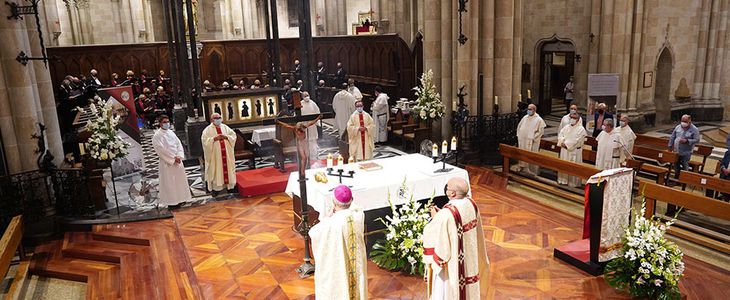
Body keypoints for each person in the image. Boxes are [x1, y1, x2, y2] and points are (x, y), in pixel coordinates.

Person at [423, 177, 489, 300]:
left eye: (447, 187)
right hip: (469, 259)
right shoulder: (471, 203)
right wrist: (440, 216)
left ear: (452, 193)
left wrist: (435, 218)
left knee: (448, 292)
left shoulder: (447, 214)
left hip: (453, 265)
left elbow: (438, 238)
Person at [309, 185, 367, 300]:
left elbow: (313, 233)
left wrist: (327, 217)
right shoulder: (358, 216)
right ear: (352, 201)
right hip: (355, 266)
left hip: (339, 266)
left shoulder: (330, 223)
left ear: (334, 204)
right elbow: (355, 208)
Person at [151, 115, 191, 207]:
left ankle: (181, 199)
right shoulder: (157, 136)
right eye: (164, 122)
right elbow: (160, 150)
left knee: (179, 181)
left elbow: (178, 144)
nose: (167, 124)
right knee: (170, 183)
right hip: (168, 163)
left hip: (178, 161)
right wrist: (173, 158)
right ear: (160, 123)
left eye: (168, 121)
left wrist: (179, 155)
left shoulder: (171, 132)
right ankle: (172, 202)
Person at [201, 113, 237, 194]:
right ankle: (217, 189)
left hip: (227, 154)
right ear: (211, 120)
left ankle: (230, 187)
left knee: (228, 168)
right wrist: (214, 139)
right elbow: (204, 141)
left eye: (219, 118)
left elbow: (233, 136)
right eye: (216, 118)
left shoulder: (225, 127)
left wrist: (226, 137)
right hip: (215, 156)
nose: (218, 119)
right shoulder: (207, 130)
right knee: (217, 169)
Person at [557, 113, 587, 187]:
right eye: (571, 118)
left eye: (574, 118)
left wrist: (567, 144)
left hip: (574, 151)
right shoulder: (567, 127)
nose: (572, 119)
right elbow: (561, 135)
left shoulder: (581, 129)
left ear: (578, 119)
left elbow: (576, 140)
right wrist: (562, 142)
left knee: (573, 167)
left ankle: (573, 183)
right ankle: (563, 180)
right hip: (564, 150)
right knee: (564, 165)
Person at [515, 104, 546, 175]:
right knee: (522, 154)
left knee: (531, 155)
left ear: (534, 110)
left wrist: (533, 137)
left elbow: (541, 131)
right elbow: (519, 126)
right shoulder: (525, 117)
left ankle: (532, 171)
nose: (528, 111)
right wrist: (519, 135)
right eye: (528, 109)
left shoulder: (539, 119)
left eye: (530, 109)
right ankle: (522, 167)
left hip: (531, 142)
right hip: (523, 140)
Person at [300, 91, 321, 161]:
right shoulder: (300, 104)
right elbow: (298, 115)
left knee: (313, 140)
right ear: (302, 97)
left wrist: (317, 122)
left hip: (312, 125)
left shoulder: (313, 103)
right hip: (304, 126)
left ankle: (314, 155)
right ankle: (307, 155)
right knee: (306, 141)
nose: (306, 97)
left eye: (307, 95)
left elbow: (317, 112)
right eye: (305, 96)